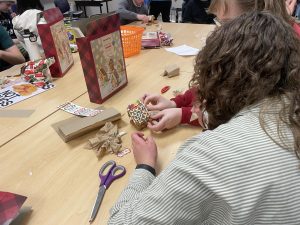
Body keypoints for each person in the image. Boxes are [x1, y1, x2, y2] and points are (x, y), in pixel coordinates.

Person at [108, 11, 300, 224]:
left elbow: (122, 222)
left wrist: (145, 167)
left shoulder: (213, 155)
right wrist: (180, 109)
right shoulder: (289, 107)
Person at [142, 0, 300, 132]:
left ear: (257, 21)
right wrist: (177, 102)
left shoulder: (280, 59)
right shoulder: (257, 47)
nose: (220, 32)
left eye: (225, 23)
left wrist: (182, 114)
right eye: (218, 22)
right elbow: (221, 84)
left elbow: (235, 115)